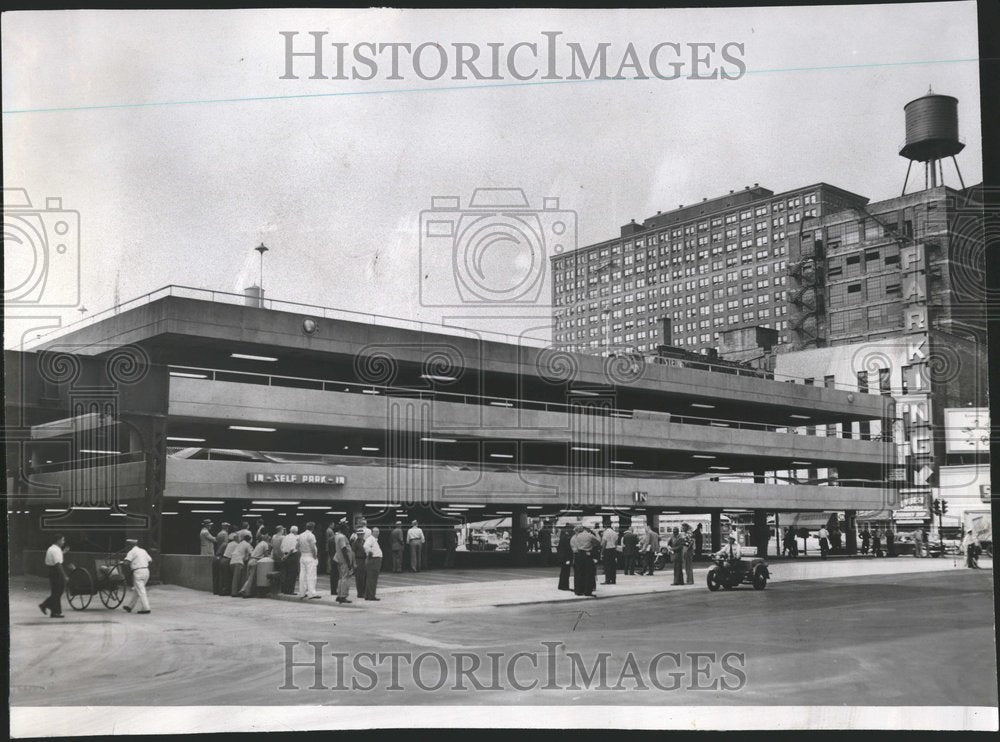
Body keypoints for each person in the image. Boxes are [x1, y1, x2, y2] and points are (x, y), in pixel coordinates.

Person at [39, 533, 68, 618]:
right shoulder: (54, 550)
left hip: (54, 571)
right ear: (58, 540)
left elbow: (57, 558)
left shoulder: (55, 549)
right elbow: (58, 564)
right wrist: (64, 576)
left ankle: (52, 610)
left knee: (57, 592)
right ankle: (51, 609)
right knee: (57, 592)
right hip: (55, 572)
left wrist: (63, 552)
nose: (63, 542)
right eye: (63, 540)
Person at [122, 537, 154, 614]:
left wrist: (122, 562)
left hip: (138, 572)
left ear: (130, 545)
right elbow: (150, 560)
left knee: (141, 591)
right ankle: (130, 607)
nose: (126, 547)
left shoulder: (131, 552)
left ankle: (146, 608)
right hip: (146, 571)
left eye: (127, 545)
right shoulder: (143, 550)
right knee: (137, 590)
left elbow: (126, 563)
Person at [570, 525, 600, 597]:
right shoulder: (589, 535)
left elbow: (574, 547)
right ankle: (587, 591)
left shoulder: (575, 537)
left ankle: (579, 590)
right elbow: (598, 542)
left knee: (580, 573)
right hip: (587, 555)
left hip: (579, 555)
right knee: (589, 573)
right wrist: (596, 533)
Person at [240, 533, 271, 597]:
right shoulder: (265, 544)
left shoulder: (259, 544)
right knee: (251, 578)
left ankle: (248, 591)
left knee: (249, 577)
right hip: (255, 561)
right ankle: (244, 591)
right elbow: (266, 556)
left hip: (251, 560)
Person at [332, 519, 354, 603]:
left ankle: (339, 595)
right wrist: (349, 562)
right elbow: (344, 549)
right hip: (344, 560)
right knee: (345, 578)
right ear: (343, 528)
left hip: (340, 559)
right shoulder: (342, 537)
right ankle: (343, 596)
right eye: (346, 528)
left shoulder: (337, 536)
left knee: (341, 578)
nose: (347, 529)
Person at [298, 522, 321, 600]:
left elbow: (297, 546)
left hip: (302, 556)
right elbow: (313, 548)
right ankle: (312, 593)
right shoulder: (311, 536)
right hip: (310, 556)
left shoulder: (300, 535)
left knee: (302, 575)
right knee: (311, 575)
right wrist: (315, 557)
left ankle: (302, 593)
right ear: (313, 528)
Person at [229, 533, 252, 597]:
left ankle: (237, 591)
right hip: (238, 561)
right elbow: (251, 553)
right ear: (249, 540)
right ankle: (234, 593)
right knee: (236, 579)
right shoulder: (247, 544)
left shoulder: (240, 543)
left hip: (232, 561)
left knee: (236, 577)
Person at [364, 527, 383, 600]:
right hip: (374, 560)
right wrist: (370, 552)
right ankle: (371, 595)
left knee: (371, 578)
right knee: (372, 578)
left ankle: (368, 595)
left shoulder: (374, 540)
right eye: (376, 531)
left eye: (378, 531)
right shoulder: (370, 539)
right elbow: (366, 546)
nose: (378, 533)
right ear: (372, 532)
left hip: (375, 559)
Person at [281, 526, 300, 594]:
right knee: (292, 574)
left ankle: (284, 589)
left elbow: (282, 547)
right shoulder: (295, 538)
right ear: (296, 531)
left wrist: (284, 555)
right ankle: (290, 590)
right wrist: (287, 556)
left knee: (286, 573)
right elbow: (292, 549)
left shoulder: (285, 537)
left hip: (285, 554)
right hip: (292, 556)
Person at [212, 522, 230, 595]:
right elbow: (225, 544)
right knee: (221, 575)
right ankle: (221, 591)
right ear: (226, 527)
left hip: (217, 553)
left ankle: (215, 590)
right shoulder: (225, 534)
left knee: (215, 575)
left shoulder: (219, 533)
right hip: (222, 554)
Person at [351, 526, 368, 598]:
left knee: (364, 576)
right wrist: (354, 563)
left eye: (362, 534)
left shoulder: (364, 541)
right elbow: (353, 553)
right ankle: (360, 593)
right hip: (358, 560)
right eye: (360, 534)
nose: (362, 535)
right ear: (358, 535)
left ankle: (364, 592)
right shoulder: (355, 543)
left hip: (364, 560)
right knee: (359, 578)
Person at [557, 525, 573, 591]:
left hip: (563, 557)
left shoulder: (562, 537)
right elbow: (567, 550)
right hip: (566, 557)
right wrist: (567, 559)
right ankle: (565, 586)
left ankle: (561, 585)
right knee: (566, 572)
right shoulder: (567, 538)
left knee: (563, 571)